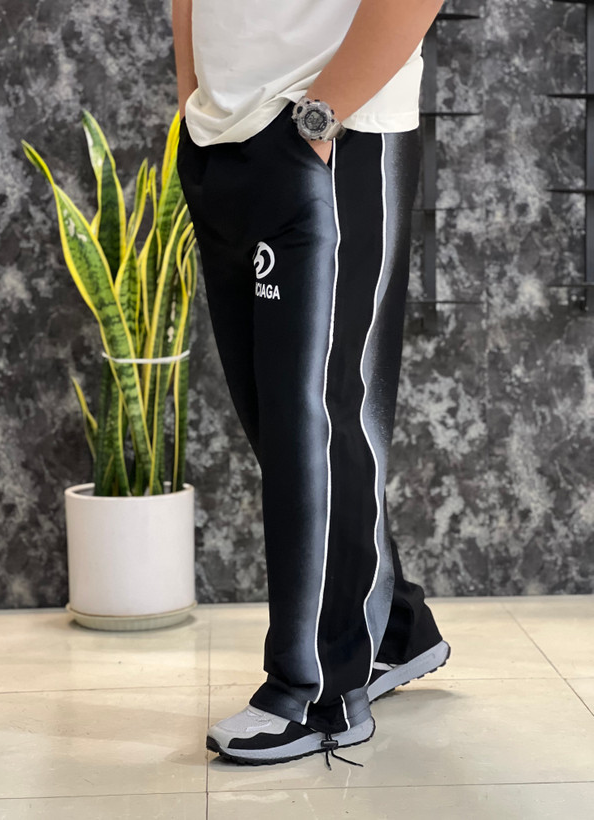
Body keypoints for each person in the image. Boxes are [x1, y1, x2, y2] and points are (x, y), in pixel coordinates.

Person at [172, 0, 450, 767]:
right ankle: (390, 629)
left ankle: (319, 693)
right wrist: (194, 105)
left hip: (331, 134)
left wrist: (319, 119)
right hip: (223, 137)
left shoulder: (323, 127)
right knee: (282, 426)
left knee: (312, 424)